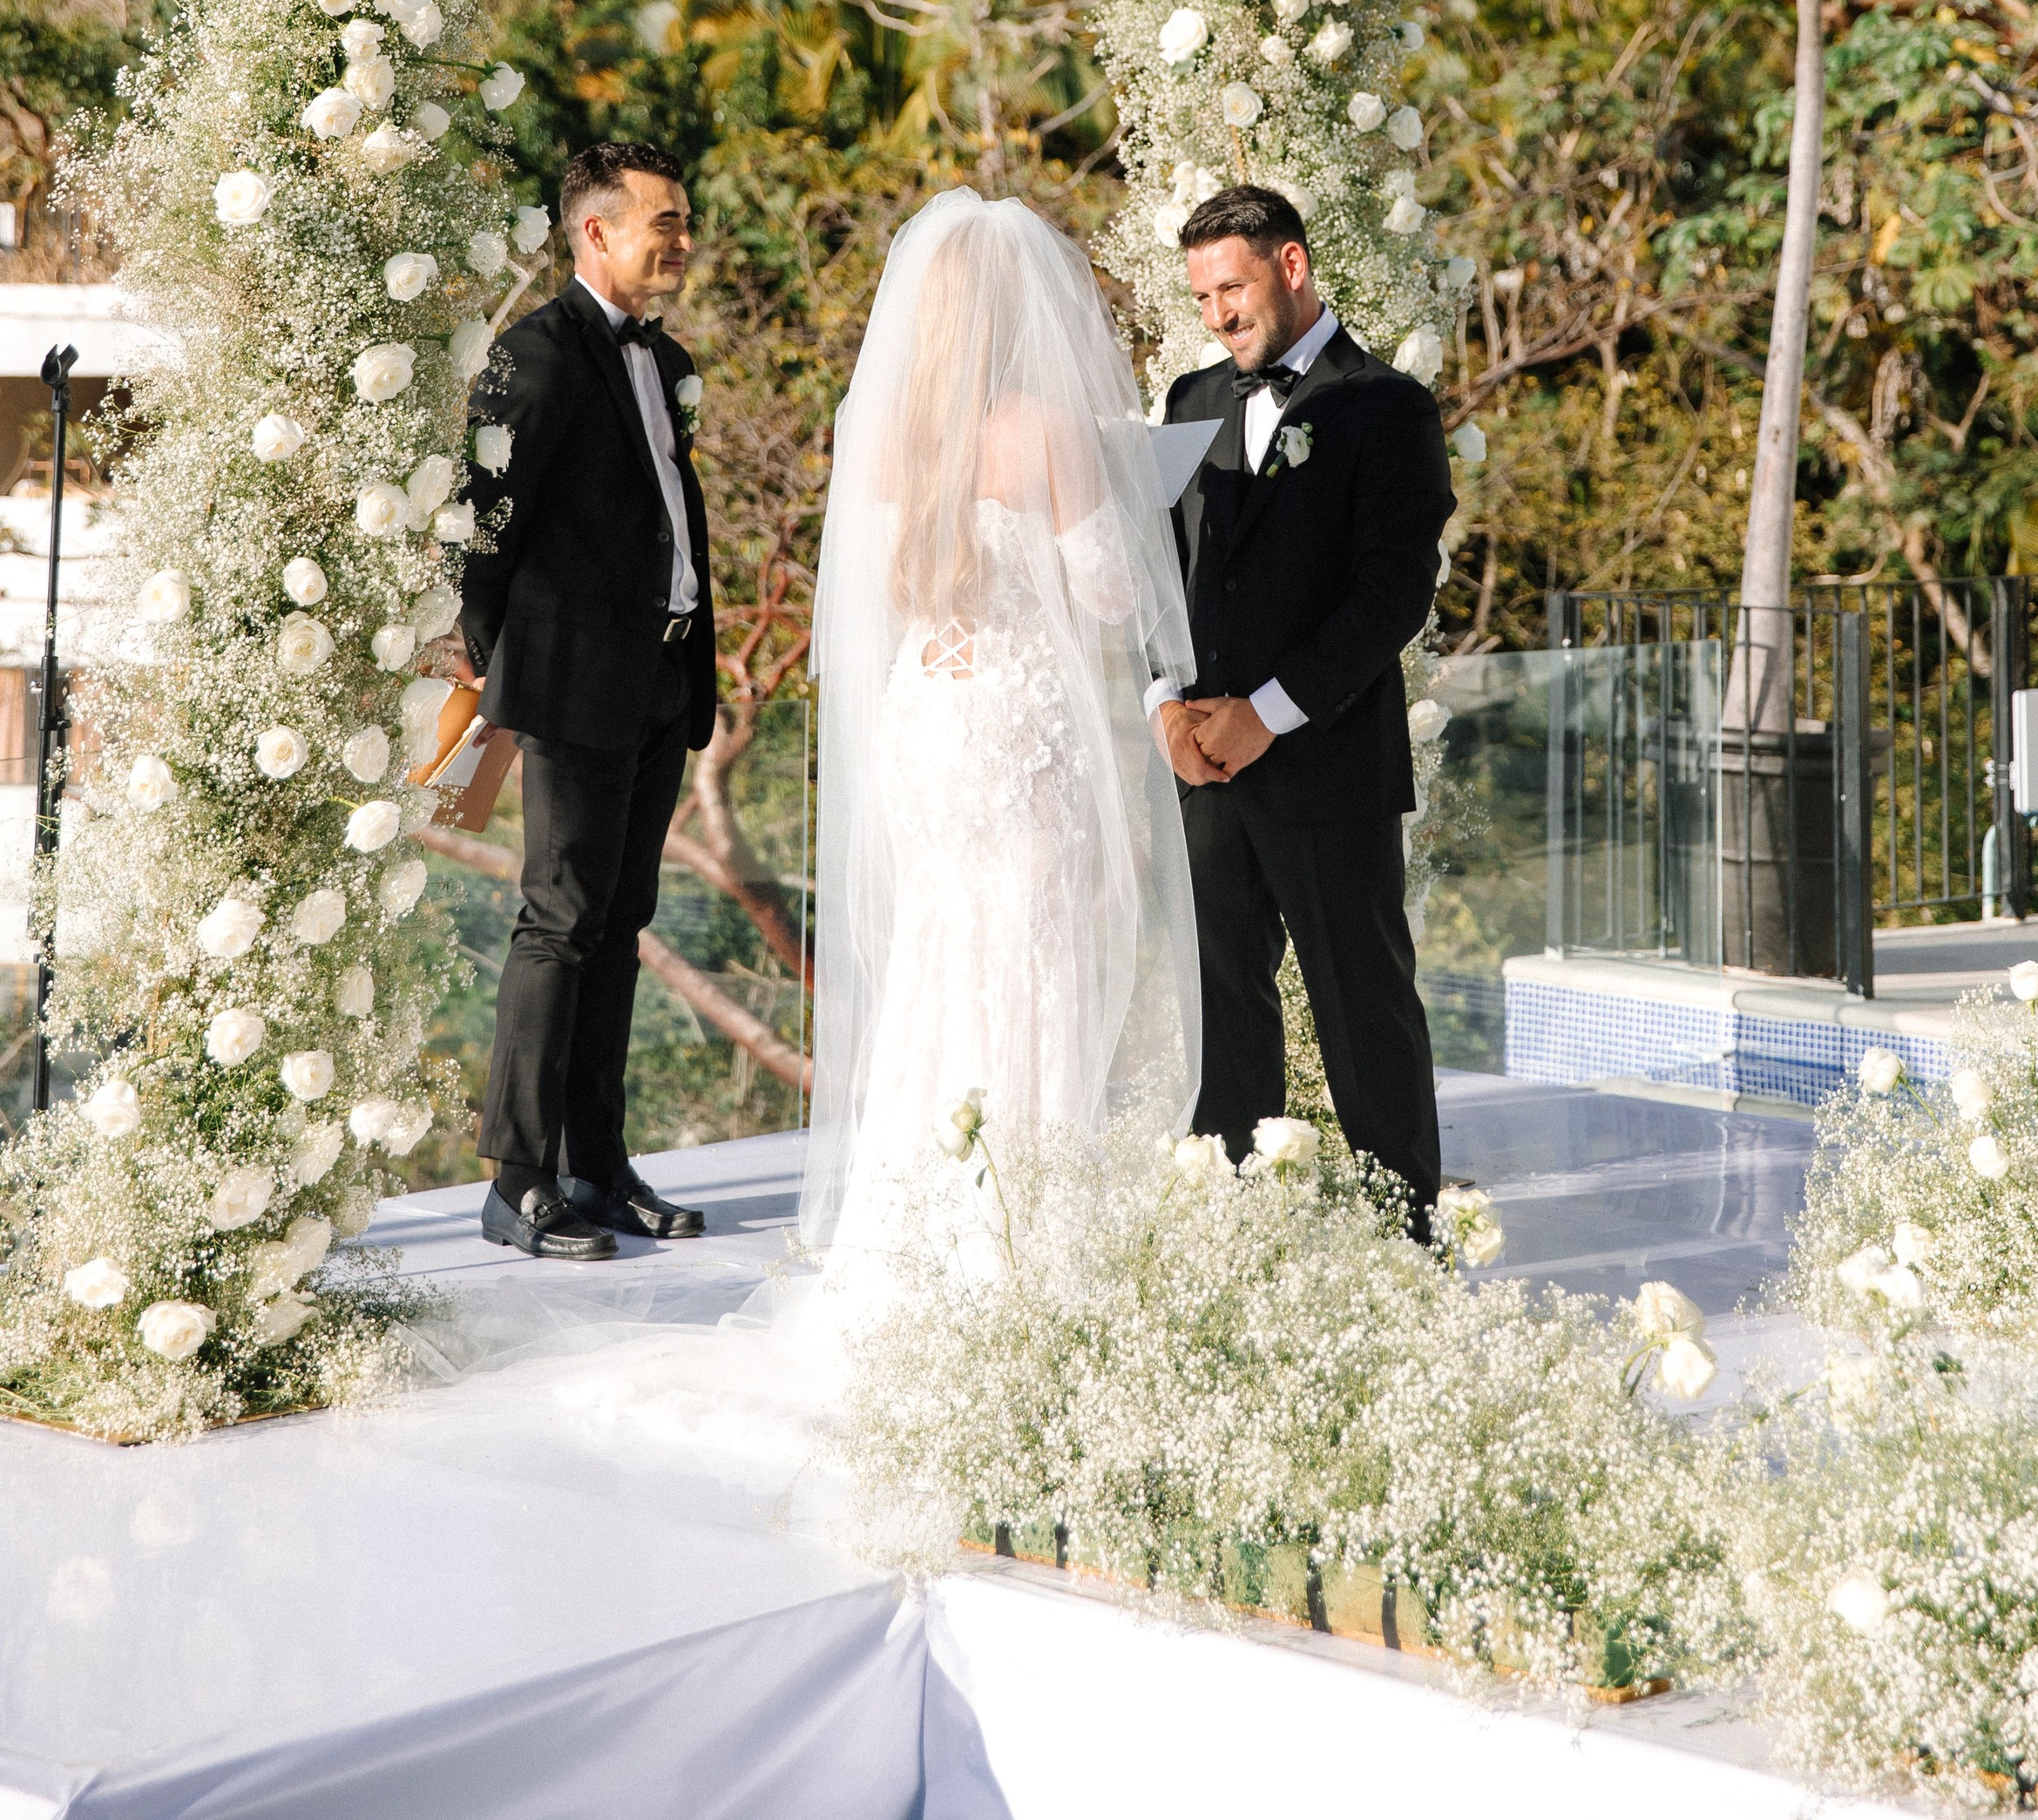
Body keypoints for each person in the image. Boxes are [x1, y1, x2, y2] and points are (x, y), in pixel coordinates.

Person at [803, 187, 1200, 1269]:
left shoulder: (884, 431)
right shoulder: (1044, 431)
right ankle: (1020, 1245)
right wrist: (1126, 484)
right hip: (1018, 725)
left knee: (936, 964)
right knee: (1031, 967)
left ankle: (905, 1243)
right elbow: (1117, 595)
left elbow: (869, 603)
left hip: (924, 723)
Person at [1153, 184, 1452, 1234]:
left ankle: (1406, 1242)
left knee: (1361, 1008)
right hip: (1204, 772)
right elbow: (1158, 569)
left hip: (1326, 766)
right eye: (1200, 295)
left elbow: (1391, 597)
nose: (1216, 315)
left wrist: (1266, 713)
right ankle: (1234, 1235)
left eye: (1229, 286)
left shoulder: (1387, 407)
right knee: (1223, 1014)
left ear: (1290, 266)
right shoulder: (1188, 401)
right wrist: (1165, 708)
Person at [443, 140, 717, 1261]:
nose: (684, 240)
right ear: (595, 231)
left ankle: (597, 1167)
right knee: (558, 923)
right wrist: (492, 658)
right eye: (665, 220)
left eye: (685, 219)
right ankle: (517, 1182)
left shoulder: (670, 360)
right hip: (569, 683)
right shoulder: (535, 355)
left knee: (620, 926)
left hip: (661, 676)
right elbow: (483, 524)